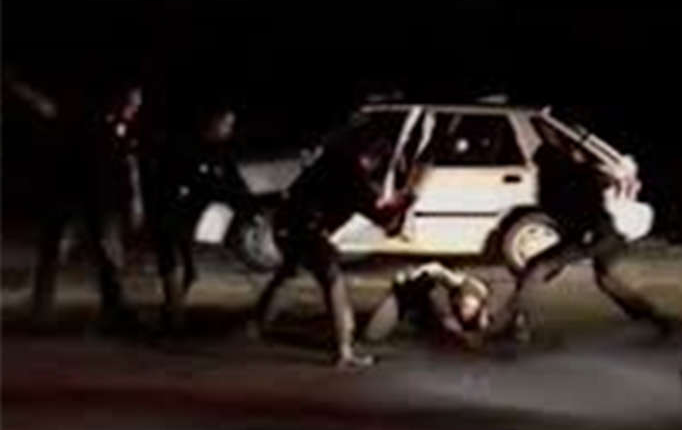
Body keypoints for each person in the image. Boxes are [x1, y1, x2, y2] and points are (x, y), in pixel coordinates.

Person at [253, 117, 417, 368]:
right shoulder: (354, 176)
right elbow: (384, 220)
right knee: (334, 284)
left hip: (287, 223)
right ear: (372, 158)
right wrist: (406, 201)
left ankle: (256, 325)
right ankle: (344, 350)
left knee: (287, 273)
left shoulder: (332, 159)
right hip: (310, 229)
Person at [502, 140, 681, 343]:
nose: (536, 172)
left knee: (537, 269)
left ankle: (516, 324)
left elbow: (585, 211)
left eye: (539, 166)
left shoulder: (566, 182)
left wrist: (578, 240)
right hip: (607, 234)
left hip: (593, 234)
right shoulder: (574, 177)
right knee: (607, 280)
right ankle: (657, 320)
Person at [31, 82, 145, 330]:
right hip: (73, 196)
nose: (135, 107)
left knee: (109, 256)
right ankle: (41, 311)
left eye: (137, 102)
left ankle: (113, 309)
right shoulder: (92, 124)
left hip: (102, 202)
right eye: (131, 101)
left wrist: (133, 200)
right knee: (55, 251)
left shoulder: (122, 128)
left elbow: (128, 166)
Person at [148, 104, 257, 332]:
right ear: (212, 123)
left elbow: (234, 183)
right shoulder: (185, 148)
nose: (229, 130)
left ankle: (172, 310)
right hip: (170, 212)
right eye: (226, 124)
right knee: (171, 263)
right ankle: (174, 315)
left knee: (187, 269)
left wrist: (249, 207)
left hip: (190, 215)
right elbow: (196, 183)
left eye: (231, 125)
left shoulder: (221, 151)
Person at [362, 261, 491, 349]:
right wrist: (418, 272)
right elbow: (438, 270)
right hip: (424, 288)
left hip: (429, 299)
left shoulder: (474, 316)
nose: (467, 311)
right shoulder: (465, 287)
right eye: (467, 307)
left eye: (470, 309)